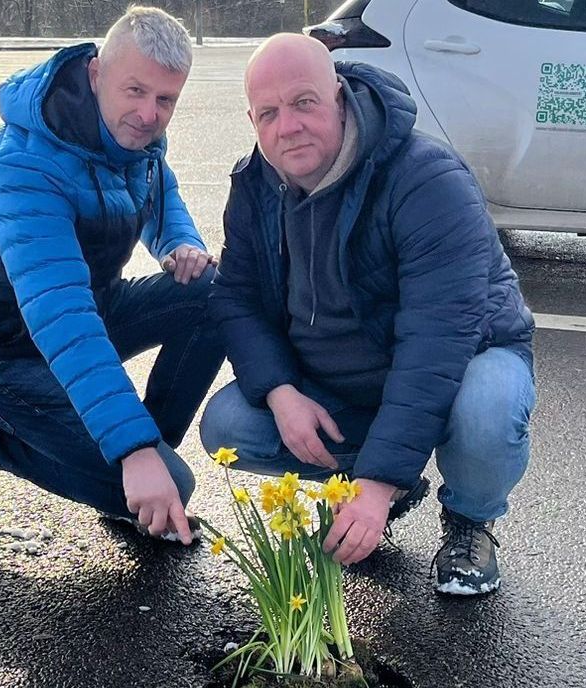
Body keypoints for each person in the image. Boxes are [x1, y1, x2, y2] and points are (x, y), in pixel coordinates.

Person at [200, 34, 536, 595]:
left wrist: (376, 482)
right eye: (269, 113)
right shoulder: (254, 184)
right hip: (341, 381)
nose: (288, 126)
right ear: (252, 121)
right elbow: (235, 298)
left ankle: (469, 522)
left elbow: (437, 342)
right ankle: (386, 480)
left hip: (463, 359)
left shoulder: (425, 179)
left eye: (304, 102)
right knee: (230, 424)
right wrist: (281, 392)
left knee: (488, 408)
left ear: (339, 96)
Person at [0, 6, 222, 545]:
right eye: (135, 91)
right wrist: (132, 451)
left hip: (89, 304)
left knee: (213, 293)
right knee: (167, 482)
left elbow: (158, 187)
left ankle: (141, 469)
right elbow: (61, 315)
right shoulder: (26, 164)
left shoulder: (134, 135)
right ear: (95, 74)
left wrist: (180, 241)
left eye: (165, 100)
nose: (150, 114)